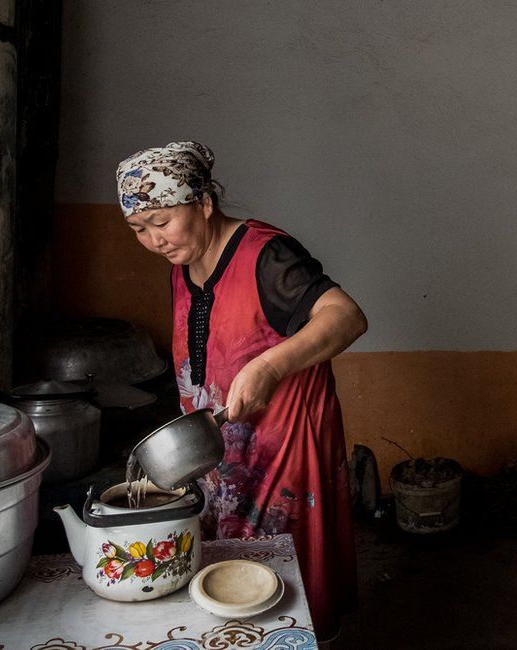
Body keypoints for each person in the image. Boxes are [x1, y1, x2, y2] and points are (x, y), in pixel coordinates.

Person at [116, 141, 367, 641]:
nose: (154, 240)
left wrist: (271, 366)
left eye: (162, 221)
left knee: (285, 587)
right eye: (138, 229)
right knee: (227, 588)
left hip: (285, 450)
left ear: (203, 202)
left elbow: (346, 317)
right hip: (221, 455)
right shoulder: (183, 267)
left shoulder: (265, 255)